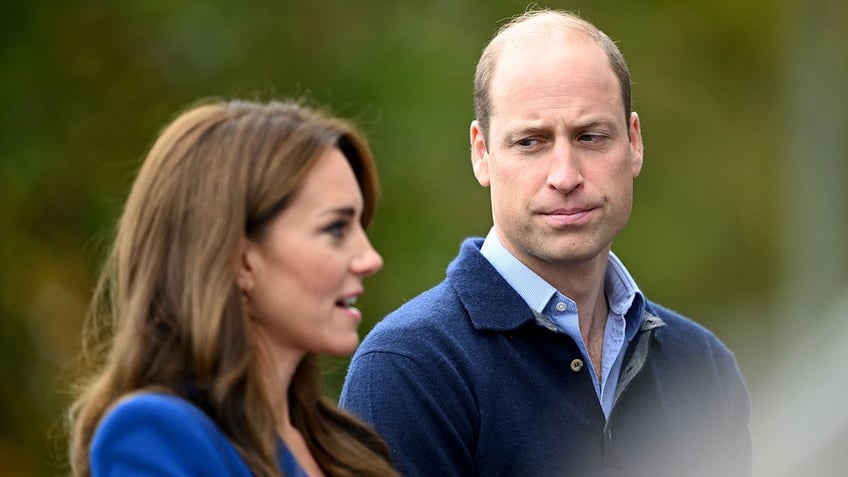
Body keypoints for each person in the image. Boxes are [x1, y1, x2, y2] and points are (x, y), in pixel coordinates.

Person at [340, 8, 751, 477]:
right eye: (530, 142)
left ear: (634, 143)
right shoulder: (409, 370)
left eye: (591, 136)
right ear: (482, 154)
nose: (565, 176)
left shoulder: (704, 368)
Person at [66, 99, 400, 477]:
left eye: (361, 227)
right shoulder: (154, 434)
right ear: (240, 258)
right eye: (336, 229)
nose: (370, 258)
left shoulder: (350, 444)